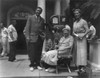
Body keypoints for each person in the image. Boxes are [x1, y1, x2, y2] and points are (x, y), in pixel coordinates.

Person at [24, 7, 45, 71]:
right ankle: (32, 65)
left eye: (39, 11)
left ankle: (38, 64)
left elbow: (42, 29)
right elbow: (27, 27)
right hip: (32, 37)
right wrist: (27, 36)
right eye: (37, 10)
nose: (38, 11)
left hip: (40, 38)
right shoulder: (30, 18)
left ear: (41, 12)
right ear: (35, 11)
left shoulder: (42, 19)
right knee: (32, 52)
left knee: (38, 52)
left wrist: (44, 35)